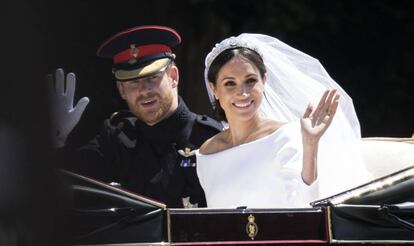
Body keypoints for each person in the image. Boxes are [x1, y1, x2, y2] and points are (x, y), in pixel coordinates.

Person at [50, 26, 223, 208]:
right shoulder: (116, 138)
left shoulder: (209, 138)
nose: (144, 90)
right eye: (133, 82)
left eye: (152, 78)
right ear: (121, 90)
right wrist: (56, 140)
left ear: (173, 76)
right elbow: (71, 183)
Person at [196, 34, 372, 208]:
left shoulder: (286, 136)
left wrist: (310, 144)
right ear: (214, 89)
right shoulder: (207, 153)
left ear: (264, 81)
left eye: (250, 81)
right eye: (230, 83)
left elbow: (305, 207)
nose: (243, 92)